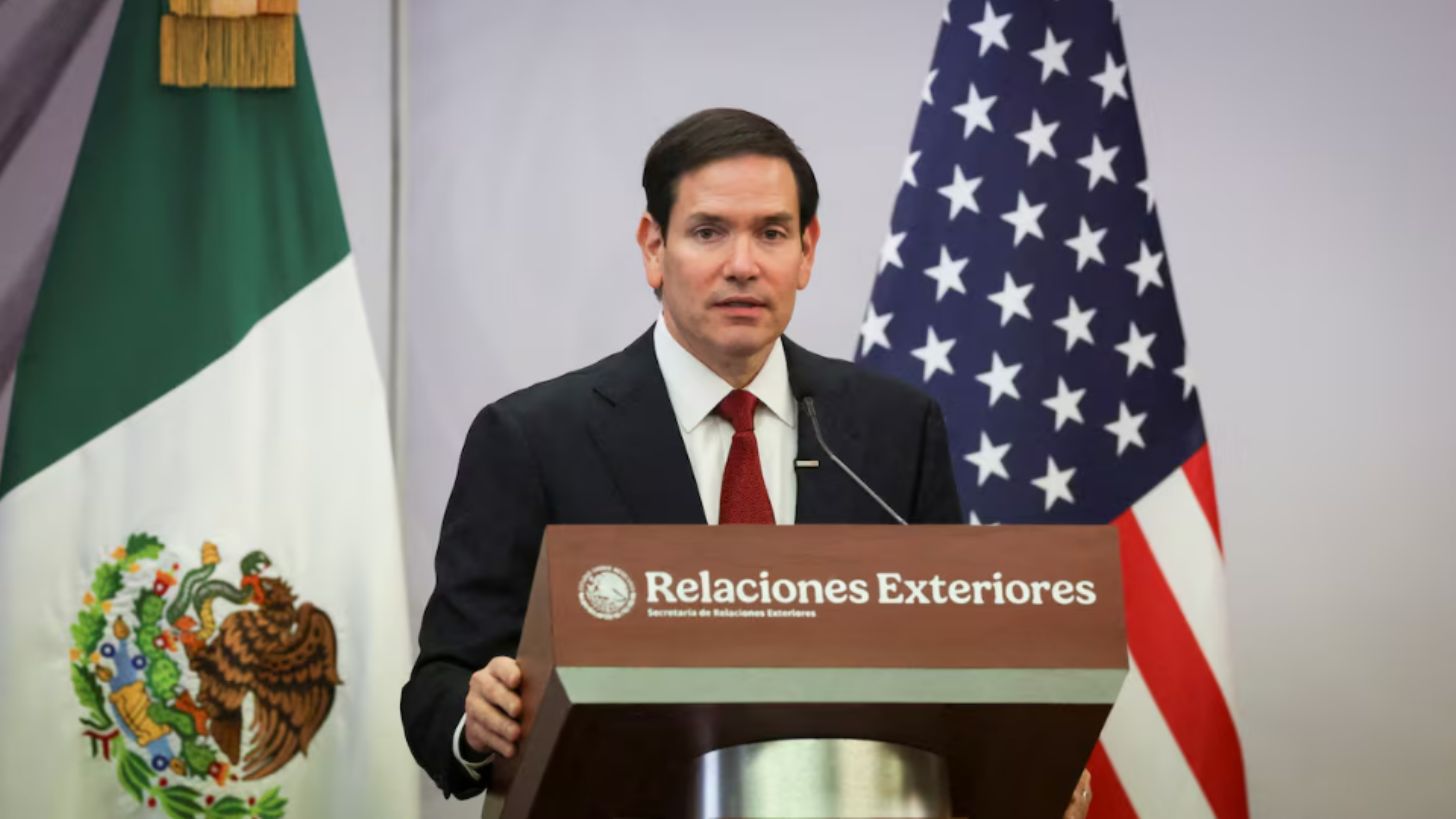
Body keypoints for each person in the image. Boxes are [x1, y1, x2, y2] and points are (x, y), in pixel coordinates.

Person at [399, 108, 1090, 819]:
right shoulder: (533, 438)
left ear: (807, 252)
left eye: (771, 233)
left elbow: (953, 667)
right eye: (708, 231)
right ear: (653, 248)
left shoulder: (895, 429)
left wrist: (1020, 770)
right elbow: (438, 688)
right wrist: (475, 719)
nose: (742, 264)